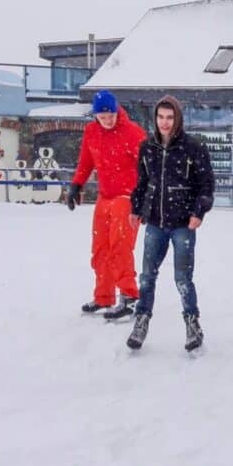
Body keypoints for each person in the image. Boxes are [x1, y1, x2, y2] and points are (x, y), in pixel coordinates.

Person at [126, 95, 215, 351]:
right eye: (160, 117)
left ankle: (192, 323)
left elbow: (206, 185)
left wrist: (199, 211)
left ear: (177, 119)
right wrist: (136, 208)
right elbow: (142, 183)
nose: (164, 123)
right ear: (155, 119)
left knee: (183, 278)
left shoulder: (193, 148)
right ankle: (141, 321)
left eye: (169, 117)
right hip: (155, 221)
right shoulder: (147, 148)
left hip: (182, 224)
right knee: (147, 277)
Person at [68, 90, 147, 320]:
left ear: (117, 111)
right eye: (102, 117)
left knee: (120, 245)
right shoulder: (92, 132)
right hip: (105, 197)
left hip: (128, 197)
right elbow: (86, 161)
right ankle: (104, 296)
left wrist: (145, 198)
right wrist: (76, 185)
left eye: (110, 115)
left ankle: (129, 297)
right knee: (100, 247)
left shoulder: (133, 133)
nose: (107, 120)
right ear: (95, 116)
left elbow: (148, 167)